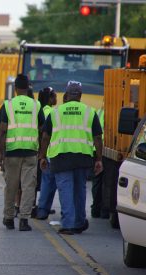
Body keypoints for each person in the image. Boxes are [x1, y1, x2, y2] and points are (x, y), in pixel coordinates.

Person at [39, 81, 103, 235]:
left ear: (66, 95)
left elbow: (45, 136)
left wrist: (42, 156)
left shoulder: (55, 112)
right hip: (83, 157)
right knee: (80, 189)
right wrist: (99, 159)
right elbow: (97, 138)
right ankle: (79, 222)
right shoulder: (90, 112)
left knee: (65, 189)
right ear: (80, 96)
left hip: (61, 157)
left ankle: (68, 224)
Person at [0, 74, 45, 231]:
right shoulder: (36, 105)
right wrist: (41, 152)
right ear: (28, 88)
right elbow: (41, 130)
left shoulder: (8, 105)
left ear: (16, 89)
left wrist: (1, 153)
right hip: (31, 151)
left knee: (11, 186)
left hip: (12, 152)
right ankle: (24, 220)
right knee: (28, 186)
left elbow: (3, 130)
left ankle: (9, 218)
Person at [36, 87, 58, 220]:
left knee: (48, 183)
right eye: (54, 96)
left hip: (45, 151)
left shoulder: (41, 110)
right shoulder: (50, 112)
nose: (56, 98)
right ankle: (42, 209)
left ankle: (44, 209)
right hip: (50, 152)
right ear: (49, 98)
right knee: (48, 183)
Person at [91, 106, 109, 219]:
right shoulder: (113, 111)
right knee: (104, 182)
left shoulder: (100, 111)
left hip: (97, 150)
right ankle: (102, 210)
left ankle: (96, 209)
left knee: (97, 182)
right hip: (104, 149)